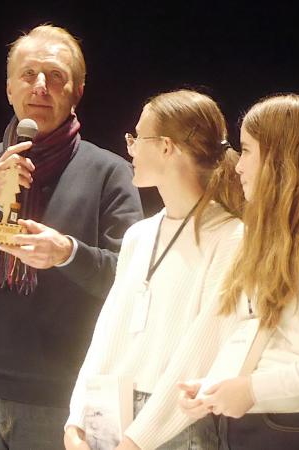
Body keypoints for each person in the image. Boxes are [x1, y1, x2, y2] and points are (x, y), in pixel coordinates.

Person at [0, 24, 143, 450]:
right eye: (29, 74)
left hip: (63, 400)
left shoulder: (110, 173)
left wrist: (67, 253)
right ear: (9, 89)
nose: (40, 85)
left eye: (55, 76)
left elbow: (132, 283)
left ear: (77, 91)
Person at [64, 89, 245, 450]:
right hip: (113, 420)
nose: (129, 148)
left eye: (136, 138)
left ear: (166, 146)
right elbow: (108, 332)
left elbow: (201, 352)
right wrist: (76, 420)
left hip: (178, 426)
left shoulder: (232, 236)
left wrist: (136, 440)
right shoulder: (139, 235)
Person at [178, 94, 299, 449]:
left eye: (247, 150)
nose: (238, 166)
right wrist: (214, 385)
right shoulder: (269, 241)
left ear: (279, 157)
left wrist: (254, 389)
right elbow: (260, 337)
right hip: (245, 428)